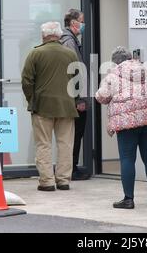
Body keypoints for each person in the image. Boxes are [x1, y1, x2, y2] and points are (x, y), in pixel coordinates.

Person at [95, 46, 147, 209]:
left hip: (126, 123)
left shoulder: (113, 74)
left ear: (115, 62)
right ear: (129, 58)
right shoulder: (144, 70)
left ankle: (128, 199)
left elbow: (101, 97)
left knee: (128, 159)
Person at [22, 21, 78, 192]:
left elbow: (26, 80)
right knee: (65, 144)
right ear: (59, 35)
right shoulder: (70, 54)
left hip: (42, 106)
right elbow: (77, 79)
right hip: (66, 106)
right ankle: (63, 180)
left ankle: (46, 181)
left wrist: (32, 98)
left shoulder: (35, 53)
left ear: (43, 35)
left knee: (43, 144)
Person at [60, 9, 91, 181]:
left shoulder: (69, 40)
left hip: (73, 96)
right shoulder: (68, 43)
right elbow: (74, 72)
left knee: (75, 134)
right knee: (75, 134)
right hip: (74, 98)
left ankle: (71, 167)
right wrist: (79, 99)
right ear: (74, 23)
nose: (83, 25)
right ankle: (71, 169)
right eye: (82, 21)